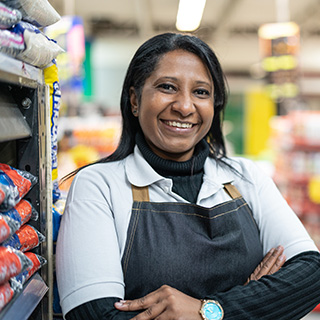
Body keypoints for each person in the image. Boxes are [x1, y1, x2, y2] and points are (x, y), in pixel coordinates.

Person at [56, 32, 320, 320]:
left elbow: (311, 273)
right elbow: (96, 315)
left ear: (214, 104)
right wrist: (257, 300)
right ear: (134, 100)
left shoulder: (245, 177)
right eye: (167, 87)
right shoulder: (99, 186)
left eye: (201, 92)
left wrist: (209, 311)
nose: (184, 106)